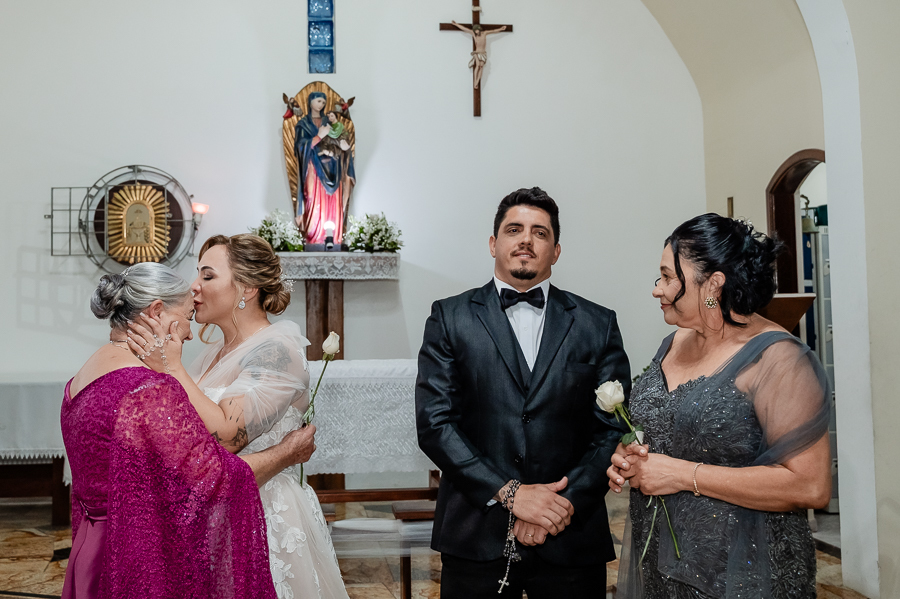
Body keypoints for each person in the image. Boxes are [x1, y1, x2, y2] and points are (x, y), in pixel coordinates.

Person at [415, 187, 631, 598]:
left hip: (571, 535)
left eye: (540, 232)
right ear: (493, 243)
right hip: (476, 533)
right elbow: (435, 424)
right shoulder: (449, 317)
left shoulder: (597, 323)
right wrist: (511, 494)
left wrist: (558, 506)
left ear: (556, 251)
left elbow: (611, 430)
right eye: (514, 229)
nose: (526, 240)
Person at [62, 262, 317, 599]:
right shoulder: (148, 389)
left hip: (91, 548)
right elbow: (212, 482)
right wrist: (286, 453)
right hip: (135, 558)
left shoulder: (82, 376)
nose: (189, 333)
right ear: (157, 312)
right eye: (186, 317)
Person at [608, 214, 832, 598]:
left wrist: (681, 474)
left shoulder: (778, 359)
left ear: (713, 284)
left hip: (743, 572)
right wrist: (629, 456)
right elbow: (668, 428)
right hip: (664, 564)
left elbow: (810, 485)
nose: (657, 289)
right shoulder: (674, 342)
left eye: (668, 277)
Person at [127, 234, 350, 599]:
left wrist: (171, 367)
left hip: (262, 513)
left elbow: (229, 437)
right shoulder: (212, 354)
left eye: (208, 276)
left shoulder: (278, 349)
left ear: (247, 287)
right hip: (211, 510)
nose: (194, 286)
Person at [293, 92, 355, 245]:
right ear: (310, 101)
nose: (321, 104)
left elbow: (341, 139)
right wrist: (318, 136)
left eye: (323, 102)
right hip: (312, 167)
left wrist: (345, 148)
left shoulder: (331, 121)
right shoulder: (303, 124)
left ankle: (334, 237)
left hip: (333, 168)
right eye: (318, 101)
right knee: (312, 199)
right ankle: (314, 238)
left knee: (332, 201)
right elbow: (299, 148)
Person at [449, 21, 507, 89]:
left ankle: (477, 82)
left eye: (477, 30)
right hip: (477, 53)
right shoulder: (474, 34)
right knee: (477, 66)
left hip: (483, 53)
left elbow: (493, 31)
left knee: (481, 67)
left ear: (479, 29)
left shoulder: (484, 33)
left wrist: (501, 29)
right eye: (475, 31)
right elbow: (465, 29)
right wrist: (456, 24)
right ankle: (475, 82)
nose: (476, 32)